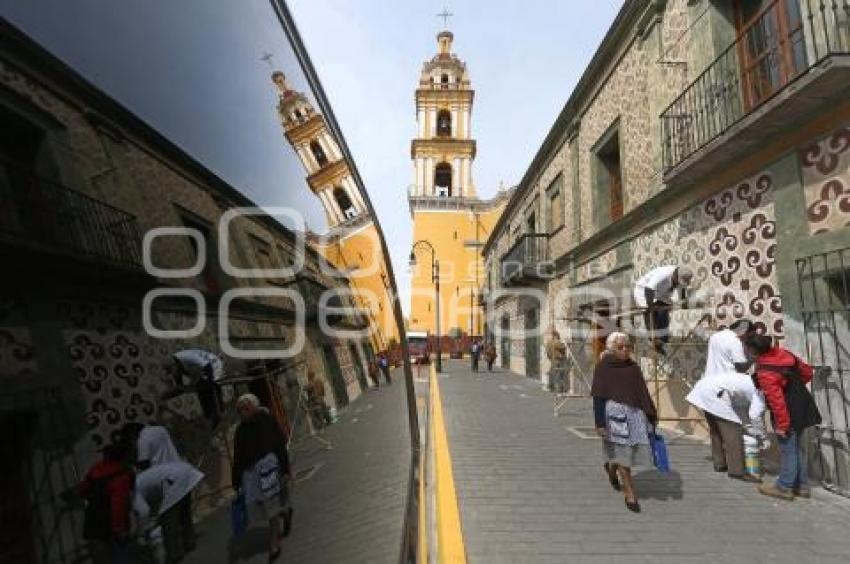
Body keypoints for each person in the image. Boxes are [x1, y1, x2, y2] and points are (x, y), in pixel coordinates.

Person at [744, 334, 821, 501]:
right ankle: (802, 486)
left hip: (788, 410)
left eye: (747, 349)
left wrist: (782, 425)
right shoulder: (785, 354)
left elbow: (777, 401)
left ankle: (784, 487)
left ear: (753, 350)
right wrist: (795, 388)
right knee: (796, 447)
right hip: (804, 403)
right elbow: (807, 372)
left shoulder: (765, 371)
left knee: (788, 449)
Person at [591, 332, 657, 513]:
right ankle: (629, 493)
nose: (625, 350)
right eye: (620, 347)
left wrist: (650, 414)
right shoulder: (603, 367)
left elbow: (641, 391)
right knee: (622, 451)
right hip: (614, 415)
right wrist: (600, 423)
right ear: (611, 349)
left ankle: (612, 468)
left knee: (629, 450)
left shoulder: (633, 367)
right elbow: (598, 395)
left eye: (628, 346)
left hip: (635, 415)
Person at [232, 394, 293, 561]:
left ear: (255, 406)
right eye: (240, 409)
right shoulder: (240, 431)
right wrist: (236, 481)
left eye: (246, 407)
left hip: (271, 470)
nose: (243, 412)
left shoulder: (267, 421)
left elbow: (280, 444)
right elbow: (237, 457)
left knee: (271, 507)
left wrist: (286, 469)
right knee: (268, 507)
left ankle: (274, 542)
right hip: (252, 476)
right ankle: (285, 512)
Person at [686, 370, 765, 482]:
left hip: (705, 389)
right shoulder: (759, 391)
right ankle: (737, 471)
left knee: (716, 430)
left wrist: (749, 426)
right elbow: (755, 415)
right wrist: (762, 436)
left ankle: (720, 464)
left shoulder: (746, 380)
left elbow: (741, 410)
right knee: (734, 432)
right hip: (714, 394)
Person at [134, 460, 204, 563]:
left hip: (174, 479)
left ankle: (174, 554)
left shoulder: (135, 489)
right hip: (184, 471)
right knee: (184, 514)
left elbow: (143, 512)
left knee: (168, 522)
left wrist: (144, 530)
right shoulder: (140, 480)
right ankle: (189, 543)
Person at [78, 441, 135, 564]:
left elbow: (83, 489)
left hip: (93, 519)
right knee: (120, 556)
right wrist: (120, 529)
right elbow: (117, 504)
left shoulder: (96, 468)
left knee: (100, 557)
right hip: (110, 522)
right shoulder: (122, 474)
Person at [633, 265, 694, 355]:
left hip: (659, 292)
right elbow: (649, 288)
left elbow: (682, 288)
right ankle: (653, 339)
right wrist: (650, 307)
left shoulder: (680, 273)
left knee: (665, 309)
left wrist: (684, 303)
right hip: (643, 290)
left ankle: (662, 340)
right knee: (650, 312)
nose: (679, 284)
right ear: (675, 275)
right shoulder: (663, 274)